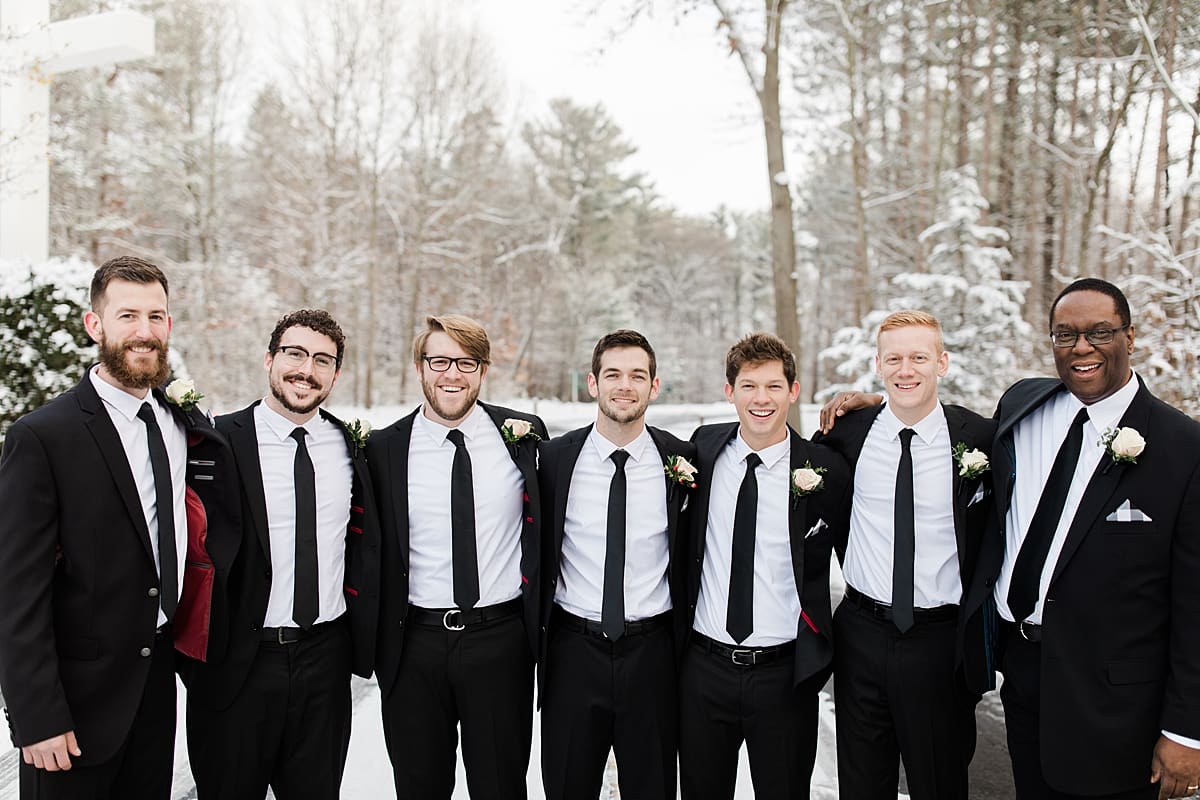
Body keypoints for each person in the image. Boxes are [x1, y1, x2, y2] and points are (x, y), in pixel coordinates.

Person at [821, 279, 1200, 800]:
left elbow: (1194, 601)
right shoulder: (1024, 410)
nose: (1082, 348)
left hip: (1106, 694)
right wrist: (875, 405)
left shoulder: (1182, 447)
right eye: (1065, 335)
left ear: (1130, 337)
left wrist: (1186, 730)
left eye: (1100, 333)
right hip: (1013, 668)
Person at [0, 256, 236, 799]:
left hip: (155, 692)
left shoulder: (184, 421)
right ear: (95, 324)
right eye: (127, 315)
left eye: (156, 317)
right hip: (73, 706)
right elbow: (17, 590)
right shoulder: (43, 437)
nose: (144, 332)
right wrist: (36, 715)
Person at [182, 309, 379, 799]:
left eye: (322, 360)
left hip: (325, 664)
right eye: (294, 353)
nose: (305, 370)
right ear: (269, 358)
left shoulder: (353, 448)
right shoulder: (214, 442)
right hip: (238, 668)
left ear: (335, 373)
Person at [811, 310, 995, 800]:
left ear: (943, 363)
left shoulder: (979, 440)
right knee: (862, 783)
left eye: (918, 357)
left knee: (940, 780)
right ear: (877, 364)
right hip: (861, 634)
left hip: (939, 640)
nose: (905, 369)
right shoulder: (847, 434)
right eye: (894, 359)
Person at [367, 314, 546, 799]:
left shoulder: (523, 435)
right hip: (414, 646)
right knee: (420, 786)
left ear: (483, 370)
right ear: (420, 367)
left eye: (466, 362)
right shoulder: (383, 448)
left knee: (501, 784)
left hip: (501, 643)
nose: (452, 374)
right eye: (440, 360)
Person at [678, 332, 850, 800]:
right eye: (749, 386)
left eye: (774, 386)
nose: (762, 399)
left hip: (785, 674)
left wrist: (869, 398)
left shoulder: (825, 469)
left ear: (793, 392)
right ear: (729, 391)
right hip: (703, 669)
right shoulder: (702, 451)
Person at [537, 330, 695, 800]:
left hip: (653, 655)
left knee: (653, 786)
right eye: (613, 375)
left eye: (637, 375)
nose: (624, 386)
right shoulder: (553, 459)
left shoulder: (683, 460)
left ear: (655, 385)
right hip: (572, 651)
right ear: (592, 383)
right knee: (567, 784)